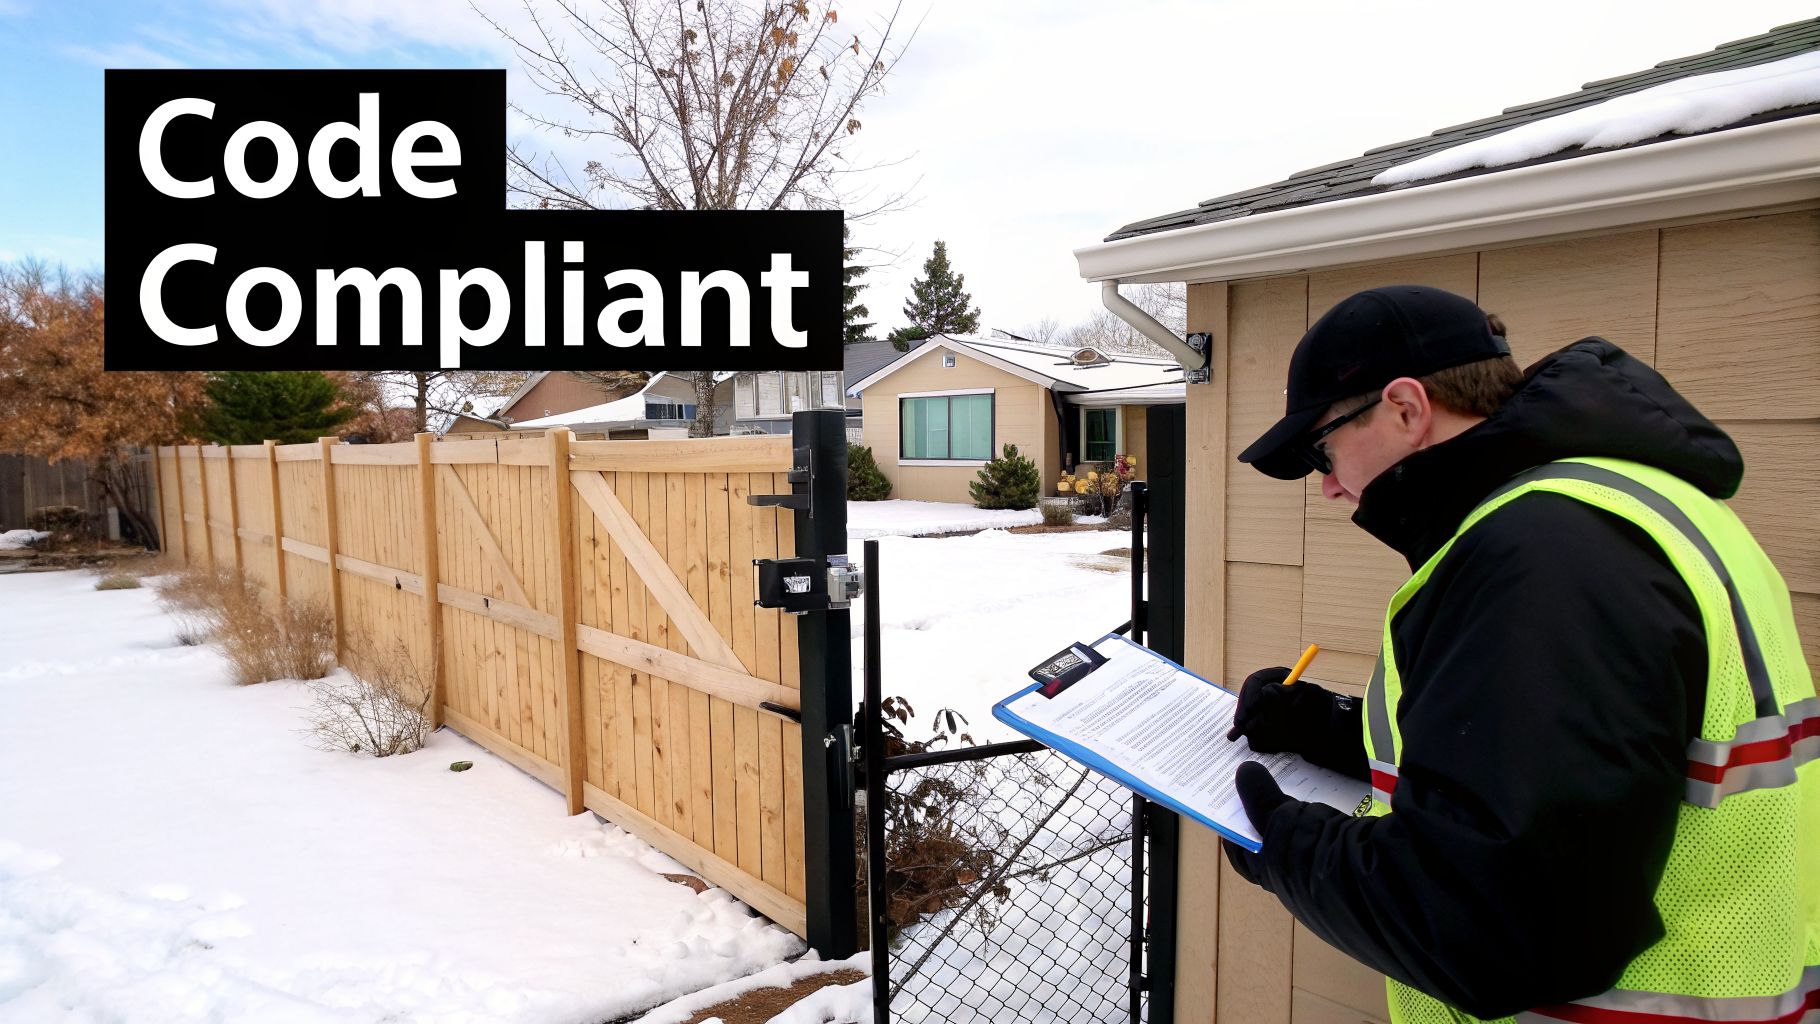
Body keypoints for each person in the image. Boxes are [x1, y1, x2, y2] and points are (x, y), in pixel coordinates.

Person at [1221, 285, 1817, 1024]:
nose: (1331, 485)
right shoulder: (1623, 505)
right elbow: (1582, 766)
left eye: (1323, 447)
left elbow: (1493, 925)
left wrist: (1287, 847)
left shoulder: (1544, 554)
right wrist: (1330, 729)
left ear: (1407, 409)